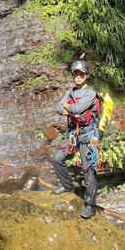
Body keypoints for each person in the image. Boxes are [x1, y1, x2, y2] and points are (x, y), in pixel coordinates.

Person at [51, 60, 99, 219]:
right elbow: (58, 108)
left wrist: (68, 108)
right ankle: (67, 186)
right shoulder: (70, 91)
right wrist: (71, 112)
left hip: (88, 135)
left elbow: (77, 108)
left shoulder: (91, 93)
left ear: (87, 75)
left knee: (88, 170)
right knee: (57, 158)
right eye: (75, 74)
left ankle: (90, 205)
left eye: (81, 74)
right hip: (73, 133)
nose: (78, 77)